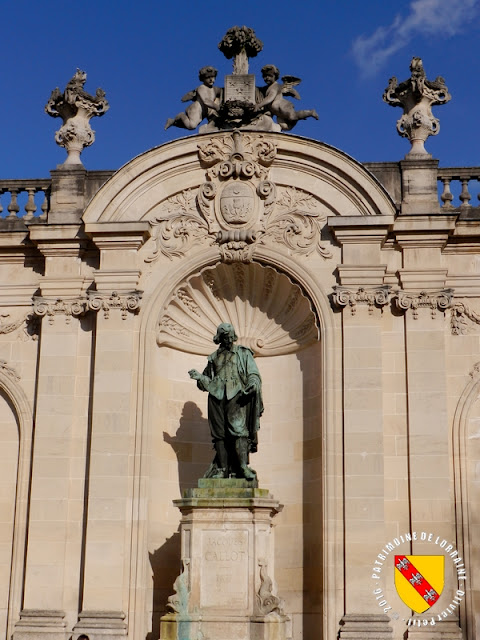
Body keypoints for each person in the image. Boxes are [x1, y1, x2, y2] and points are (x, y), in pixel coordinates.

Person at [188, 323, 263, 480]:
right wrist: (199, 378)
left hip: (236, 396)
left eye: (231, 337)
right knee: (219, 434)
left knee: (239, 430)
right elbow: (205, 381)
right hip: (216, 398)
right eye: (226, 337)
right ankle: (222, 469)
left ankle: (243, 467)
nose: (229, 340)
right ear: (220, 338)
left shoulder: (243, 353)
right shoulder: (213, 357)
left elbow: (253, 373)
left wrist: (252, 383)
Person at [254, 64, 318, 131]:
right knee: (285, 126)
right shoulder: (266, 88)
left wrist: (259, 105)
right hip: (277, 113)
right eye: (265, 76)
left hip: (283, 106)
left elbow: (270, 97)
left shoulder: (276, 86)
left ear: (275, 76)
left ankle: (310, 112)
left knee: (293, 117)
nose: (267, 78)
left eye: (270, 76)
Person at [165, 66, 222, 131]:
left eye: (213, 77)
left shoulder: (215, 89)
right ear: (203, 79)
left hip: (206, 111)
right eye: (208, 77)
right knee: (191, 126)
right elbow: (206, 101)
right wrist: (217, 107)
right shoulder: (201, 88)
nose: (211, 79)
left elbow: (223, 91)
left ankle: (173, 122)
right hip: (197, 109)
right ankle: (180, 116)